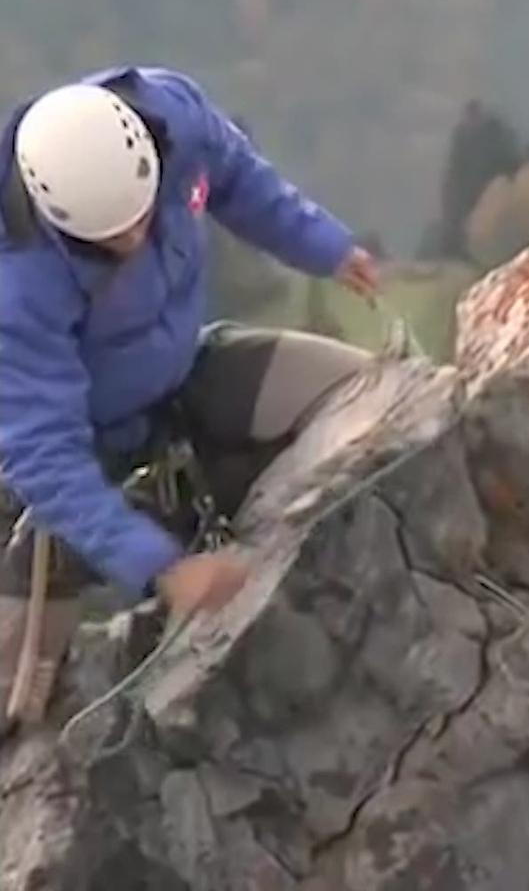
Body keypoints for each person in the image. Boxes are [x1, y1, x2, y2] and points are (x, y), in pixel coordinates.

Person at [0, 65, 380, 730]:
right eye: (109, 239)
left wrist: (326, 247)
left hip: (183, 377)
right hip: (82, 456)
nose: (135, 240)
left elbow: (239, 179)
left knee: (362, 391)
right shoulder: (20, 285)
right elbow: (45, 456)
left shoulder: (171, 119)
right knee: (15, 687)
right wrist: (162, 570)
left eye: (141, 218)